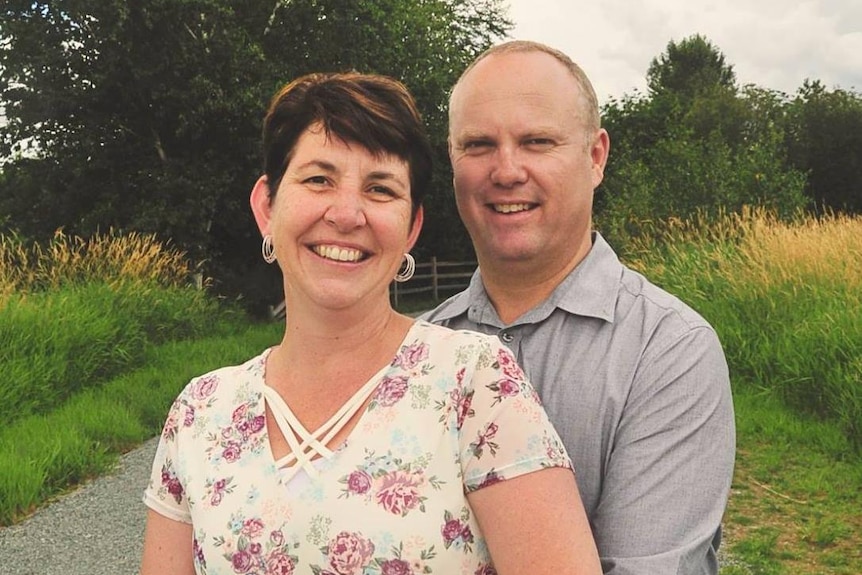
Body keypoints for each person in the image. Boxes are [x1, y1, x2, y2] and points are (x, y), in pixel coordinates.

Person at [139, 71, 601, 575]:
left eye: (380, 189)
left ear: (411, 228)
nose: (346, 213)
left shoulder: (475, 384)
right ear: (267, 206)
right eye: (319, 179)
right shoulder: (199, 414)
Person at [423, 40, 736, 574]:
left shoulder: (668, 352)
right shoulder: (416, 349)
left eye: (537, 141)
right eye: (477, 145)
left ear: (595, 156)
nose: (506, 170)